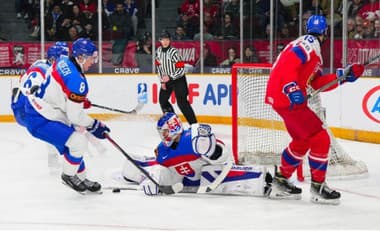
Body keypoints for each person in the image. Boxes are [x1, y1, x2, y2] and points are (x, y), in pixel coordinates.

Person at [265, 15, 365, 205]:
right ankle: (318, 187)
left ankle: (280, 180)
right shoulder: (309, 42)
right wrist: (292, 88)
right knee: (320, 138)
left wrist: (341, 76)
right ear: (326, 32)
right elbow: (288, 65)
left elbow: (317, 83)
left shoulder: (312, 49)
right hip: (287, 98)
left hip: (281, 97)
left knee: (302, 141)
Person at [11, 38, 110, 194]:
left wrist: (75, 99)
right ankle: (68, 176)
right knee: (78, 142)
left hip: (42, 110)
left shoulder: (63, 61)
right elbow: (75, 116)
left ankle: (82, 178)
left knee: (73, 145)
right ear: (81, 57)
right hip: (40, 117)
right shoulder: (77, 81)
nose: (94, 61)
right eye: (92, 58)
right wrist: (95, 125)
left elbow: (58, 86)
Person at [121, 112, 273, 196]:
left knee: (210, 173)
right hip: (187, 181)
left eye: (165, 132)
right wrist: (155, 181)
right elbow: (167, 172)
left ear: (173, 128)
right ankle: (135, 168)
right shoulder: (162, 150)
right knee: (150, 168)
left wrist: (213, 150)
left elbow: (224, 155)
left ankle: (259, 180)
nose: (163, 135)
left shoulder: (194, 137)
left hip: (212, 175)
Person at [155, 30, 197, 125]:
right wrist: (162, 81)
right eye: (163, 39)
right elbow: (159, 67)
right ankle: (173, 122)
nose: (165, 42)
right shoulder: (158, 52)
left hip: (179, 80)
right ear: (160, 40)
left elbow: (181, 69)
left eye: (167, 39)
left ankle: (194, 125)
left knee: (182, 103)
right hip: (167, 80)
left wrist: (170, 77)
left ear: (170, 40)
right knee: (163, 100)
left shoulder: (174, 52)